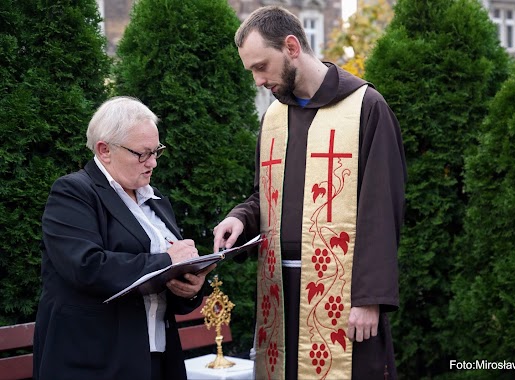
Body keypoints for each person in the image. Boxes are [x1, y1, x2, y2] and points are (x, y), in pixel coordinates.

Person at [212, 5, 406, 380]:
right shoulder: (273, 117)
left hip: (344, 298)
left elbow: (382, 208)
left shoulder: (366, 107)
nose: (257, 80)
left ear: (291, 46)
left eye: (261, 66)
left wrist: (370, 299)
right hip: (279, 297)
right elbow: (263, 195)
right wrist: (239, 218)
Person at [33, 96, 215, 380]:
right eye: (142, 154)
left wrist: (190, 286)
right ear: (105, 150)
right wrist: (167, 260)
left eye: (157, 152)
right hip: (95, 363)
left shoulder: (156, 201)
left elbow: (163, 289)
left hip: (157, 358)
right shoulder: (73, 192)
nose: (153, 162)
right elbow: (87, 267)